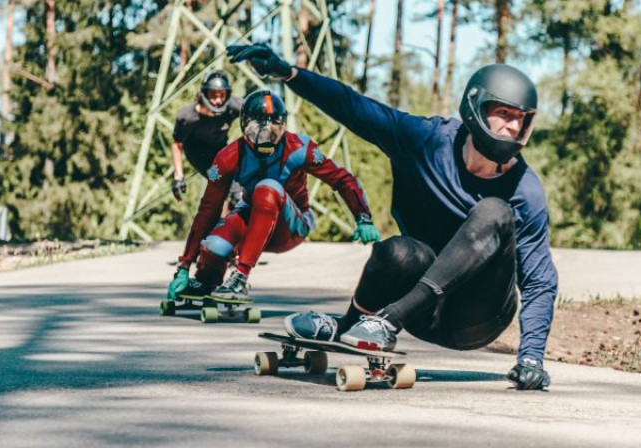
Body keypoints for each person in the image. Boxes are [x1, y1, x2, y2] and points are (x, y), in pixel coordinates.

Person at [227, 44, 557, 391]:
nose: (512, 126)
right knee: (397, 251)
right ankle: (350, 325)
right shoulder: (425, 140)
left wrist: (531, 357)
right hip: (420, 312)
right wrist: (288, 74)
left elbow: (539, 280)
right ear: (475, 108)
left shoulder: (525, 191)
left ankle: (385, 321)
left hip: (475, 317)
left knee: (495, 211)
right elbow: (354, 107)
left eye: (520, 118)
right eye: (503, 113)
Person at [166, 89, 381, 303]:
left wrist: (363, 217)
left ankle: (240, 277)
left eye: (274, 130)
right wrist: (185, 265)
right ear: (243, 127)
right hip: (251, 216)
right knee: (214, 245)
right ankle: (206, 281)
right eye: (256, 130)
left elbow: (341, 178)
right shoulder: (227, 157)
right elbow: (208, 210)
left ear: (284, 126)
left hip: (291, 225)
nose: (266, 137)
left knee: (268, 188)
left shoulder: (300, 148)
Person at [171, 69, 243, 210]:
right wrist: (178, 176)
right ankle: (232, 215)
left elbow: (256, 107)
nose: (218, 100)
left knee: (245, 174)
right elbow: (177, 144)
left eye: (222, 95)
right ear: (204, 94)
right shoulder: (188, 118)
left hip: (220, 148)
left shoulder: (233, 107)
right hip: (199, 155)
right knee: (222, 179)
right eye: (213, 95)